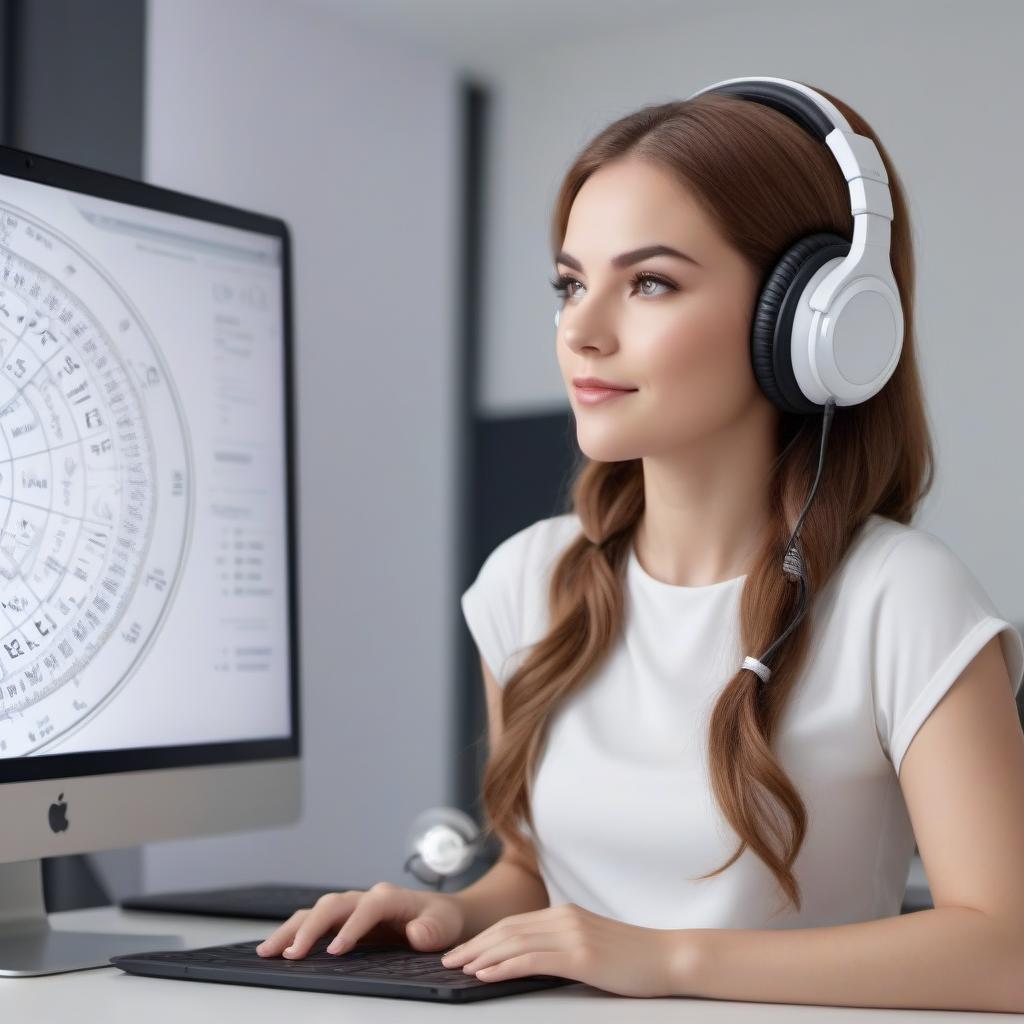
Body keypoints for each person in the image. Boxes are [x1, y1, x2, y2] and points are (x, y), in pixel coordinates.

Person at [256, 82, 1024, 1008]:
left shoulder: (902, 600)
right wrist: (450, 916)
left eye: (650, 281)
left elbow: (1004, 949)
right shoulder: (527, 583)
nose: (580, 330)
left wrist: (666, 960)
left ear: (809, 320)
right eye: (570, 283)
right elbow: (540, 881)